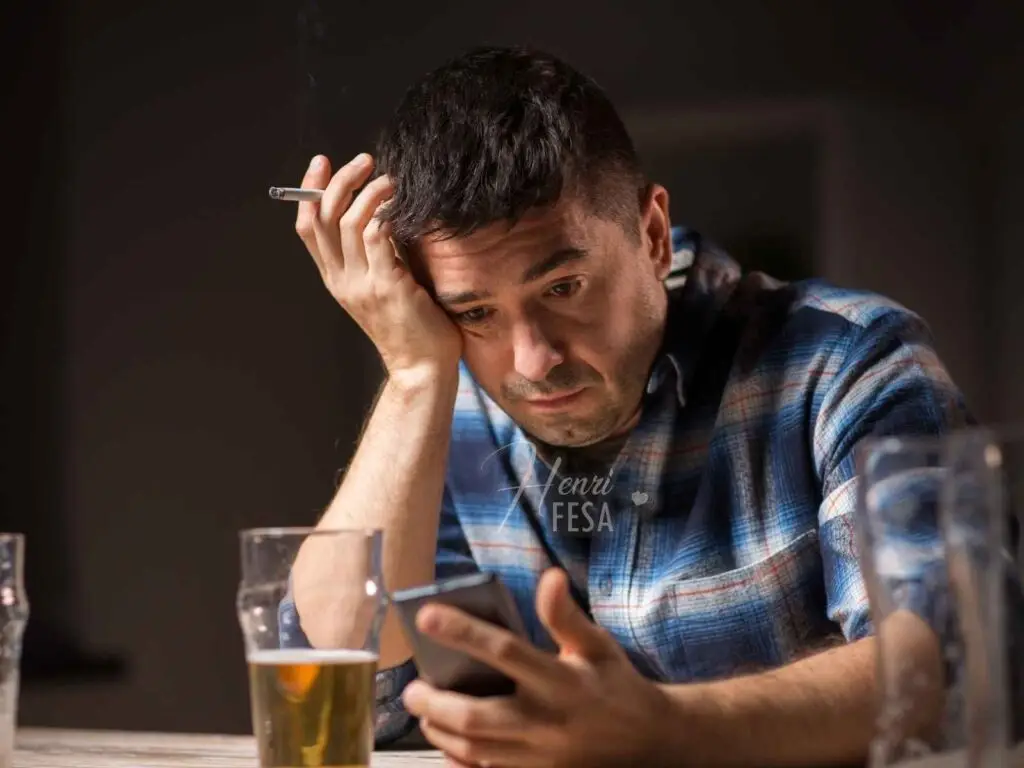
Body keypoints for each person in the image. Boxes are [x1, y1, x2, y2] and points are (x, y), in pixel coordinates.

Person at [280, 45, 968, 767]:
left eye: (562, 288)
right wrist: (414, 374)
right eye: (476, 311)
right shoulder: (444, 408)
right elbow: (337, 687)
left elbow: (945, 661)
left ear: (652, 234)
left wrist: (666, 728)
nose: (533, 362)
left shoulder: (849, 361)